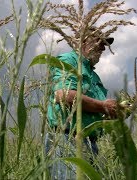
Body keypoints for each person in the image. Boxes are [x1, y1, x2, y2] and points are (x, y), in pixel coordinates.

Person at [45, 27, 118, 179]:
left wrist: (112, 112)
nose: (103, 48)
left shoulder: (94, 75)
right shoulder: (68, 60)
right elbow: (64, 95)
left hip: (90, 142)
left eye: (105, 44)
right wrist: (103, 106)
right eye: (100, 42)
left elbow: (92, 109)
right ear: (83, 41)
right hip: (67, 140)